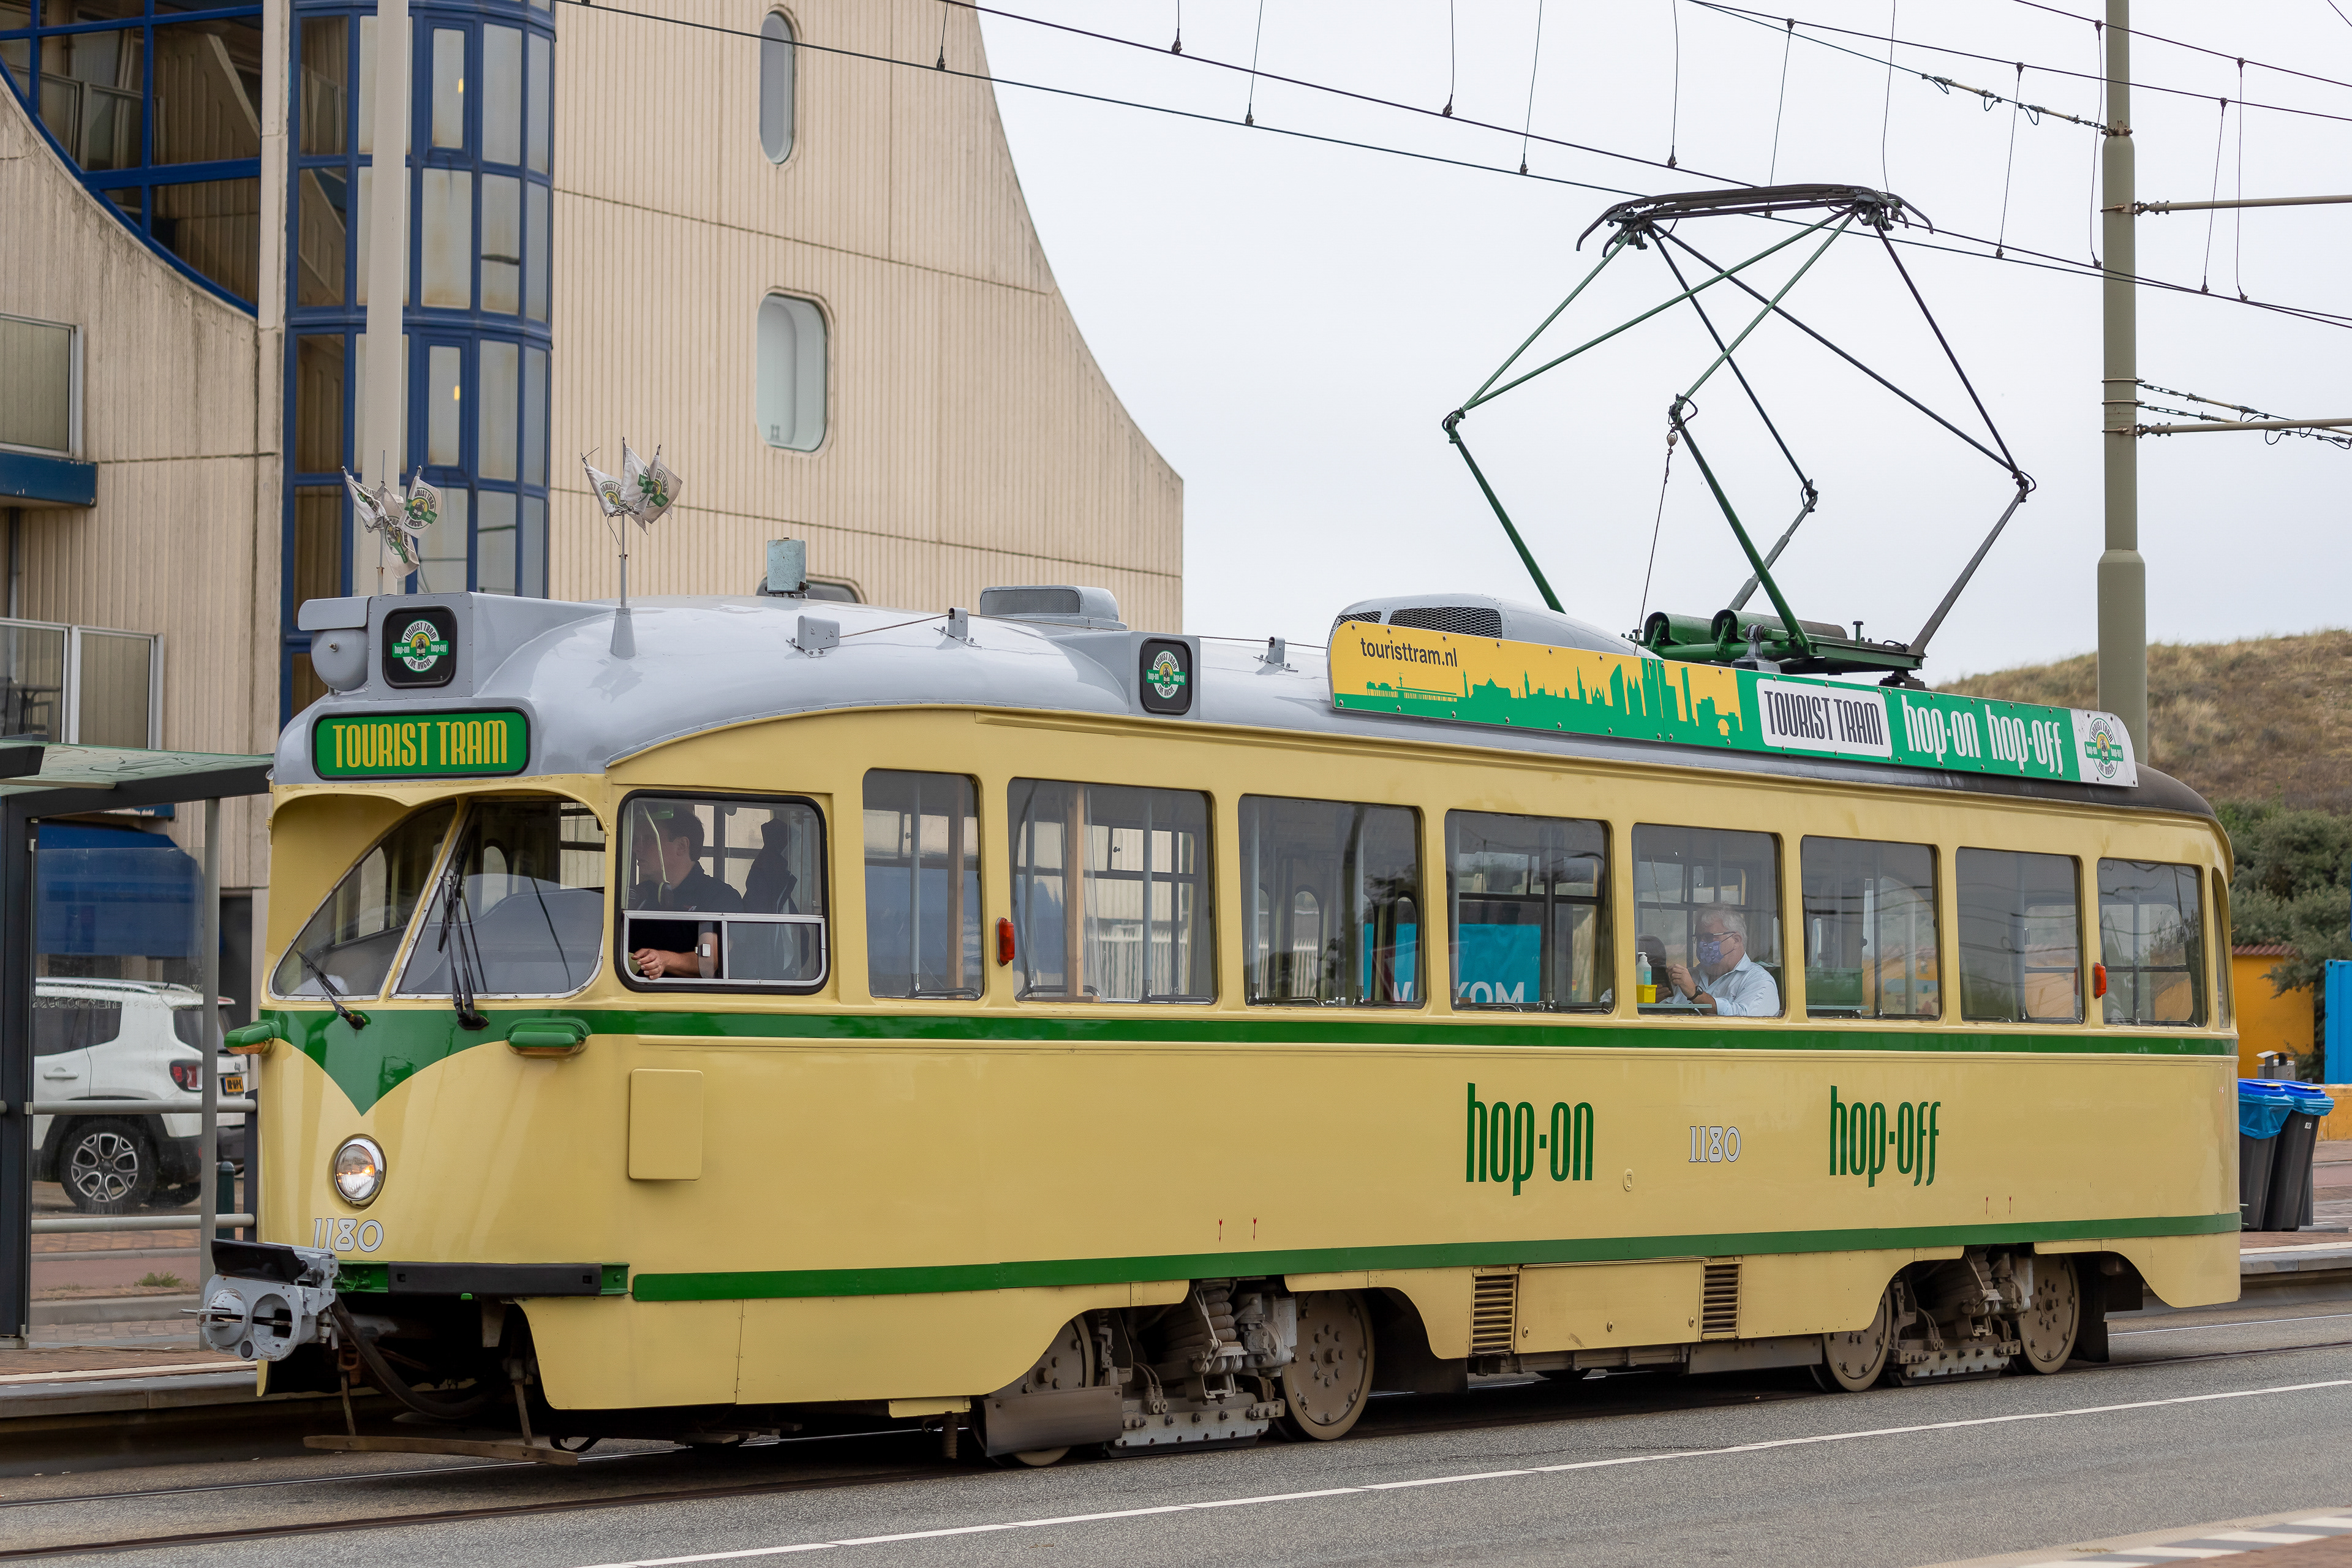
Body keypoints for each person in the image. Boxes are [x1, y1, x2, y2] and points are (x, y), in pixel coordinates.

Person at [628, 806, 741, 979]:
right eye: (636, 840)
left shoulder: (720, 896)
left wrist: (664, 959)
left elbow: (708, 963)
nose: (636, 847)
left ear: (682, 846)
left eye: (649, 839)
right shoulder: (640, 895)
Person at [1663, 907, 1779, 1017]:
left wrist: (1695, 993)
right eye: (1699, 938)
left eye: (1709, 937)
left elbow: (1744, 1022)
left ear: (1736, 940)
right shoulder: (1689, 977)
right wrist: (1654, 1003)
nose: (1701, 944)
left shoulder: (1759, 981)